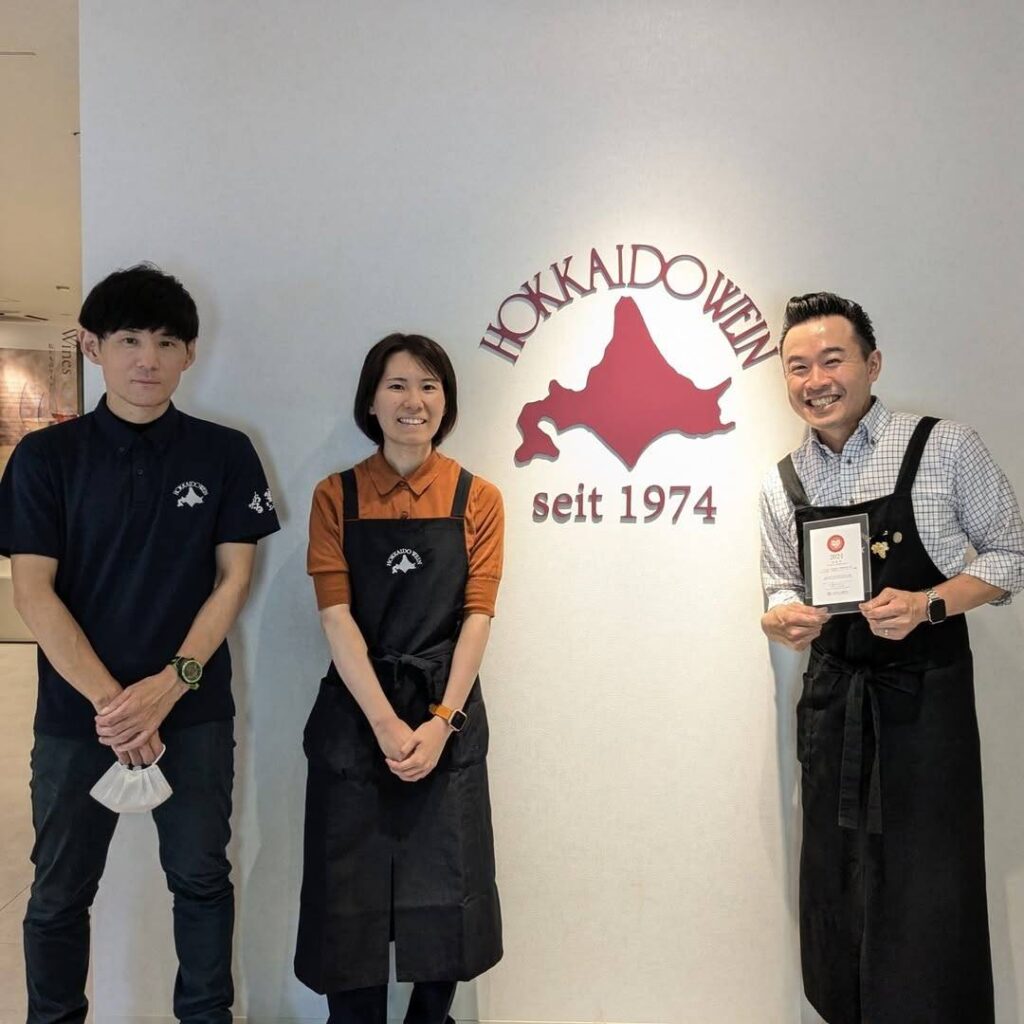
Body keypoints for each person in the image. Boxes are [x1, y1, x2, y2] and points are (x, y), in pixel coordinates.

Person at [0, 264, 280, 1024]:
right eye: (128, 339)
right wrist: (116, 706)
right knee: (58, 892)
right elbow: (33, 592)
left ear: (190, 353)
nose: (147, 359)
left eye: (165, 342)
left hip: (192, 712)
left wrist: (170, 684)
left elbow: (234, 580)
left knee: (201, 881)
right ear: (92, 347)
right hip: (77, 717)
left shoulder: (225, 454)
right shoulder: (44, 460)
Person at [758, 292, 1024, 1023]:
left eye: (832, 360)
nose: (816, 381)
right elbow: (780, 582)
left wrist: (929, 604)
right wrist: (780, 617)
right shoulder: (782, 482)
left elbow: (1012, 554)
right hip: (834, 704)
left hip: (924, 702)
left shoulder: (945, 447)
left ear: (872, 364)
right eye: (798, 367)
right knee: (836, 881)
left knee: (928, 884)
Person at [296, 333, 503, 1024]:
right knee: (346, 892)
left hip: (446, 713)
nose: (414, 401)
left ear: (446, 401)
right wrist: (385, 722)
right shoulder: (336, 496)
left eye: (429, 386)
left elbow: (478, 617)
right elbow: (335, 617)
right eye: (397, 385)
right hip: (356, 715)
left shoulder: (478, 497)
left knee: (448, 883)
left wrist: (442, 723)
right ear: (371, 401)